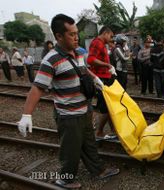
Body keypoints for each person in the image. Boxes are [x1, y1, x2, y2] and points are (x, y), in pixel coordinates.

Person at [17, 14, 119, 189]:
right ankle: (64, 180)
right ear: (59, 36)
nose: (76, 37)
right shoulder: (51, 59)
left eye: (76, 33)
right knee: (70, 150)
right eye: (71, 34)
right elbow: (37, 88)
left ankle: (98, 170)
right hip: (69, 115)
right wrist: (26, 114)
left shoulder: (78, 52)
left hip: (84, 110)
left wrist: (96, 79)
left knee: (89, 143)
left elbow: (84, 70)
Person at [87, 26, 117, 138]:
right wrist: (108, 65)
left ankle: (113, 130)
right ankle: (99, 132)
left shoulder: (101, 44)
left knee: (109, 106)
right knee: (106, 107)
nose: (111, 38)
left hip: (105, 78)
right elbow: (90, 60)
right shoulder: (97, 43)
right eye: (111, 36)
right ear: (105, 33)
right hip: (101, 79)